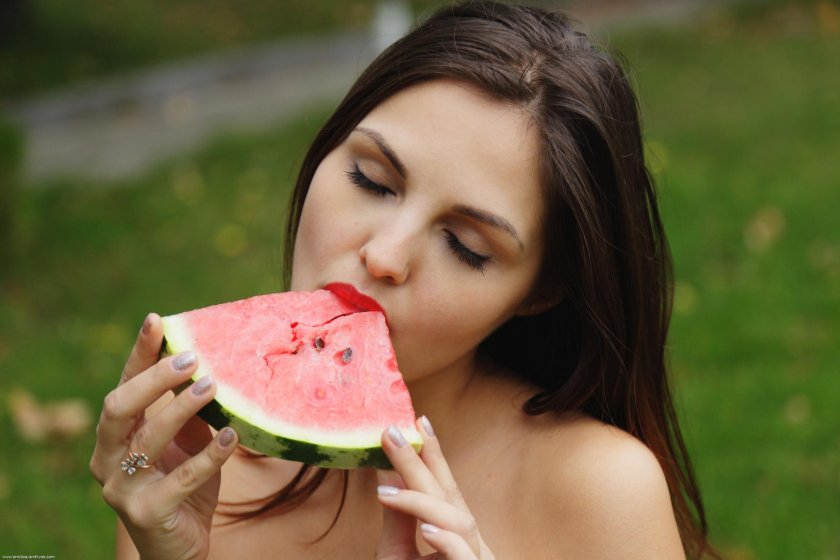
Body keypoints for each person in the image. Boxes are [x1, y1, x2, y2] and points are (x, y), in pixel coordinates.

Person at [90, 1, 718, 558]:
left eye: (466, 246)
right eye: (370, 180)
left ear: (538, 292)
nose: (385, 255)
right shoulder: (184, 469)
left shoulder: (601, 494)